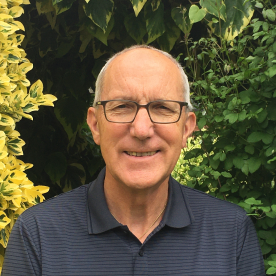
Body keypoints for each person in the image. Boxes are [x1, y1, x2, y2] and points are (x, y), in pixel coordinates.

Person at [2, 45, 265, 275]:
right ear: (95, 125)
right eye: (122, 106)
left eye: (162, 108)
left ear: (186, 128)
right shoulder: (37, 234)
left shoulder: (231, 232)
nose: (141, 129)